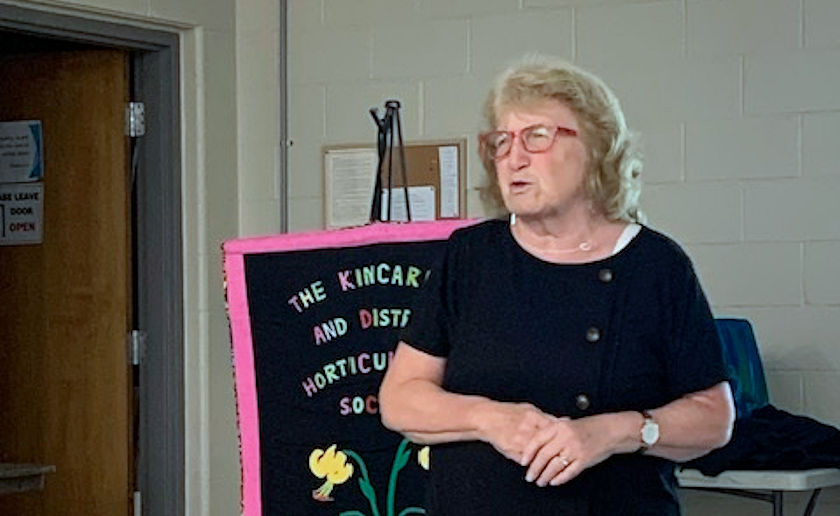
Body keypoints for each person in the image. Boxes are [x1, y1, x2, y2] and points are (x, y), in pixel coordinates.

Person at [378, 55, 735, 515]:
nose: (514, 157)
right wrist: (492, 419)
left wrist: (611, 432)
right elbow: (400, 399)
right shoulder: (469, 257)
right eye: (502, 142)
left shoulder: (655, 265)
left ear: (595, 148)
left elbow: (714, 417)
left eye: (537, 136)